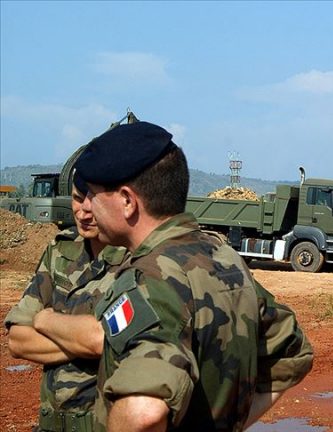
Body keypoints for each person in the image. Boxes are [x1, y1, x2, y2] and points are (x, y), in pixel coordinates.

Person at [74, 121, 313, 432]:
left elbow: (143, 413)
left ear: (128, 201)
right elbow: (291, 351)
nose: (86, 207)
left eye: (92, 194)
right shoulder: (223, 256)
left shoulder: (149, 278)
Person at [5, 177, 127, 432]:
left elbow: (102, 340)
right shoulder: (61, 250)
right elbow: (17, 340)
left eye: (93, 200)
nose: (83, 211)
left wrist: (45, 320)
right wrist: (84, 340)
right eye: (77, 199)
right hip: (50, 424)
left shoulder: (135, 259)